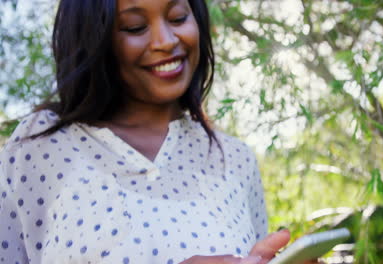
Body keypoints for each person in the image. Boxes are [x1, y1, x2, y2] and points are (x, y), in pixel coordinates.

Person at [0, 0, 318, 263]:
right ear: (94, 37)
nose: (166, 40)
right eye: (136, 27)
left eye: (178, 17)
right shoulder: (39, 145)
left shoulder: (236, 158)